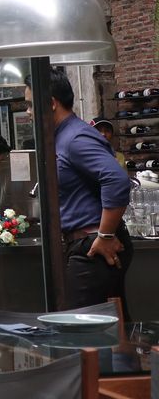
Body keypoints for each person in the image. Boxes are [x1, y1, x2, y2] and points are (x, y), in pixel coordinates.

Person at [26, 67, 133, 312]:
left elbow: (117, 180)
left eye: (30, 105)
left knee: (80, 328)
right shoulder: (60, 137)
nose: (28, 112)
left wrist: (105, 235)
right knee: (104, 327)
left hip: (93, 245)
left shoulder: (75, 138)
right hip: (83, 243)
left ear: (51, 103)